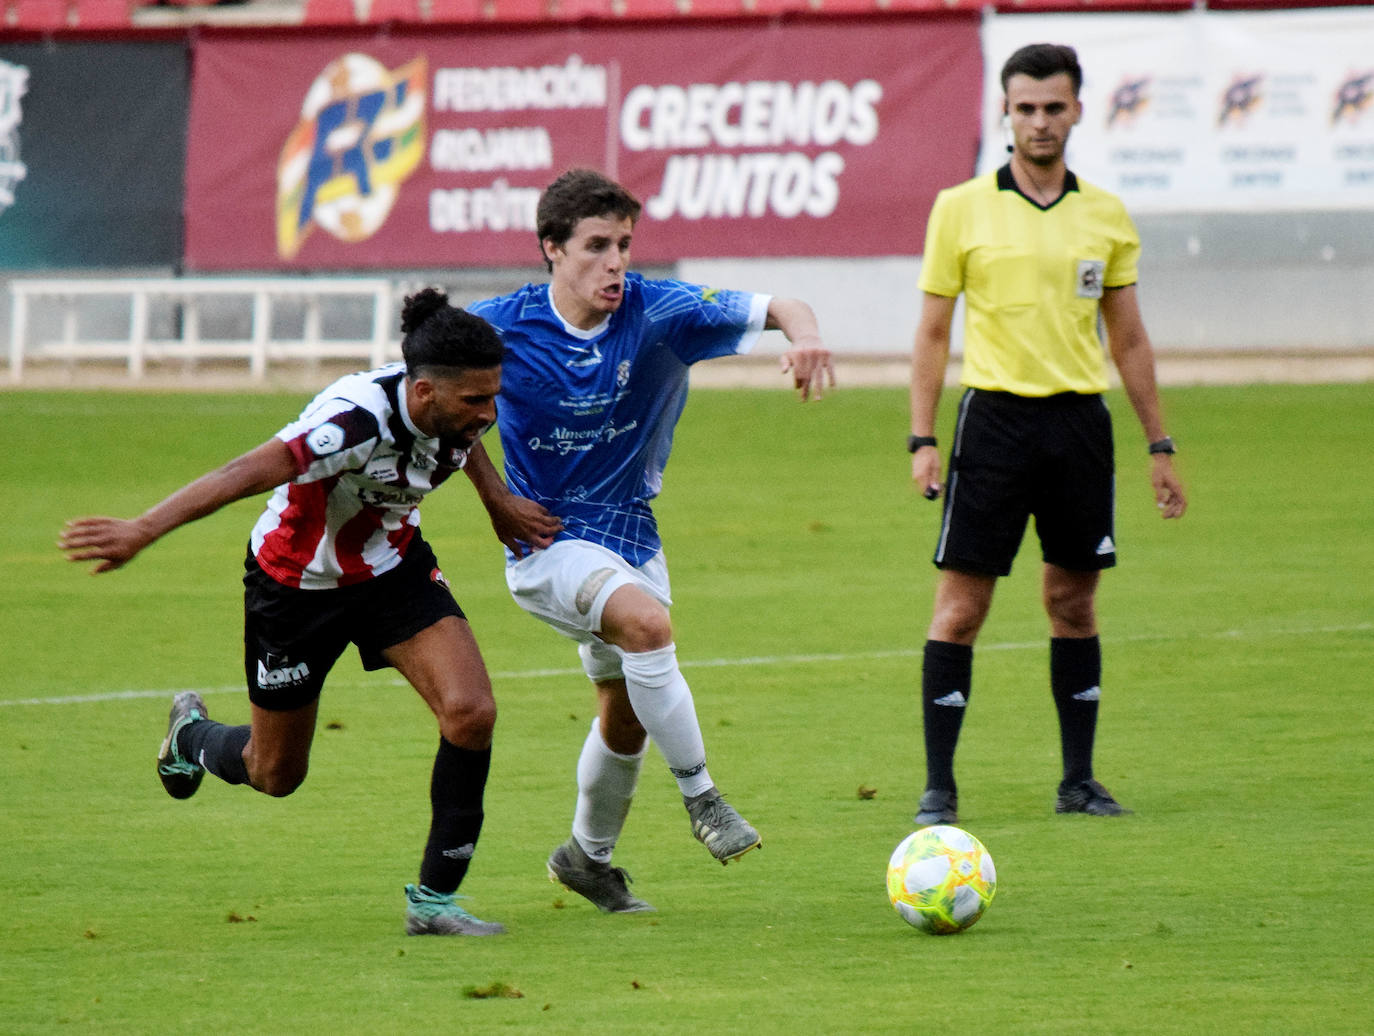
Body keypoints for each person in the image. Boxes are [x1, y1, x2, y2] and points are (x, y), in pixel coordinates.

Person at [58, 289, 554, 936]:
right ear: (425, 391)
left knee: (472, 711)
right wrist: (143, 529)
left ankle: (433, 903)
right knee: (275, 773)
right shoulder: (352, 422)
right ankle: (191, 737)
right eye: (476, 400)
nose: (490, 413)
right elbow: (247, 471)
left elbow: (462, 439)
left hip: (390, 570)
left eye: (495, 396)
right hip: (295, 587)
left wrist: (496, 500)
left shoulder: (449, 409)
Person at [461, 167, 834, 914]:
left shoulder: (661, 310)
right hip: (547, 541)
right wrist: (496, 499)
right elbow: (433, 397)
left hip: (631, 532)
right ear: (551, 250)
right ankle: (704, 798)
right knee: (649, 626)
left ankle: (586, 858)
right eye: (596, 246)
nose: (615, 262)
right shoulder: (499, 328)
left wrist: (808, 339)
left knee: (625, 704)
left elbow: (782, 305)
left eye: (624, 245)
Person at [907, 43, 1187, 826]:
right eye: (1024, 107)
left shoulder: (1105, 214)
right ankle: (939, 788)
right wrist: (922, 437)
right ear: (1004, 110)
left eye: (1052, 107)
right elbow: (932, 332)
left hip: (1079, 429)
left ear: (1077, 111)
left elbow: (1128, 340)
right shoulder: (959, 207)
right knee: (960, 609)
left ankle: (1078, 781)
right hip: (992, 423)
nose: (1038, 121)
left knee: (1073, 603)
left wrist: (1158, 445)